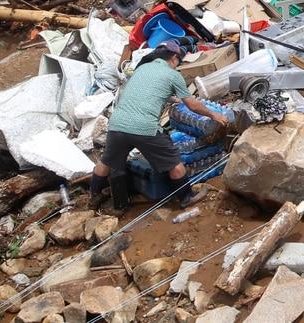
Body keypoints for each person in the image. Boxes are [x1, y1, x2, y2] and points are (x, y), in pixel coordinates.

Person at [90, 40, 228, 210]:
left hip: (117, 124)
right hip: (145, 128)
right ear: (174, 58)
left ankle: (96, 199)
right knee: (174, 163)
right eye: (179, 60)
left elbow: (148, 91)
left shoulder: (142, 69)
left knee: (107, 162)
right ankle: (186, 197)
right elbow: (192, 105)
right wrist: (214, 114)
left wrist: (171, 98)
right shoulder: (172, 75)